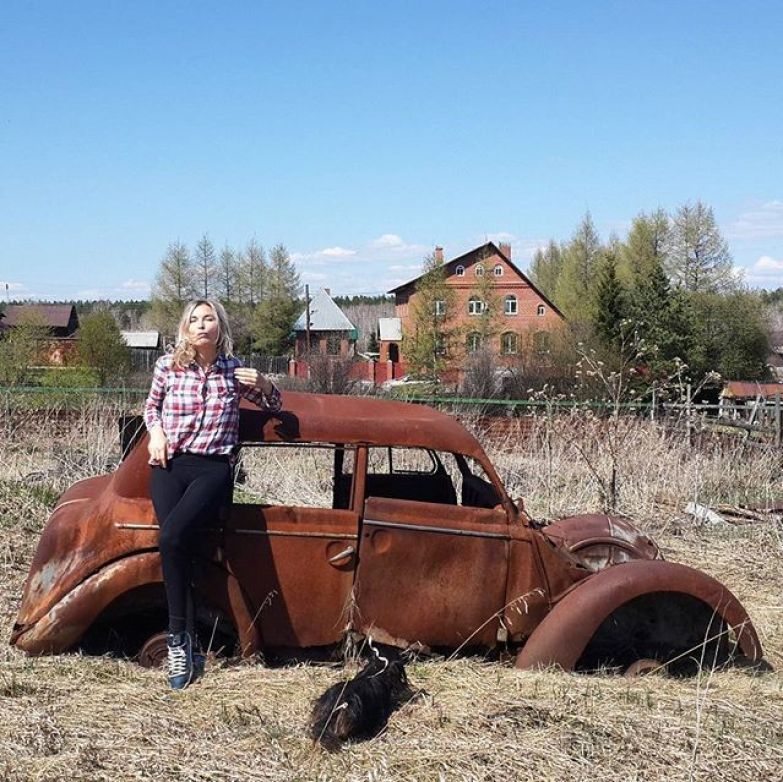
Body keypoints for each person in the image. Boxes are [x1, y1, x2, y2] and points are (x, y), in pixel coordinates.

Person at [143, 299, 282, 689]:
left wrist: (266, 384)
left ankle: (175, 636)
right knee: (178, 549)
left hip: (212, 467)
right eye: (194, 320)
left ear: (220, 327)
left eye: (209, 319)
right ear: (184, 328)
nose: (201, 325)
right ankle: (184, 645)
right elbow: (151, 408)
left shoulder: (234, 372)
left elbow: (276, 404)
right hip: (169, 467)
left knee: (171, 537)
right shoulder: (167, 366)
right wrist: (156, 432)